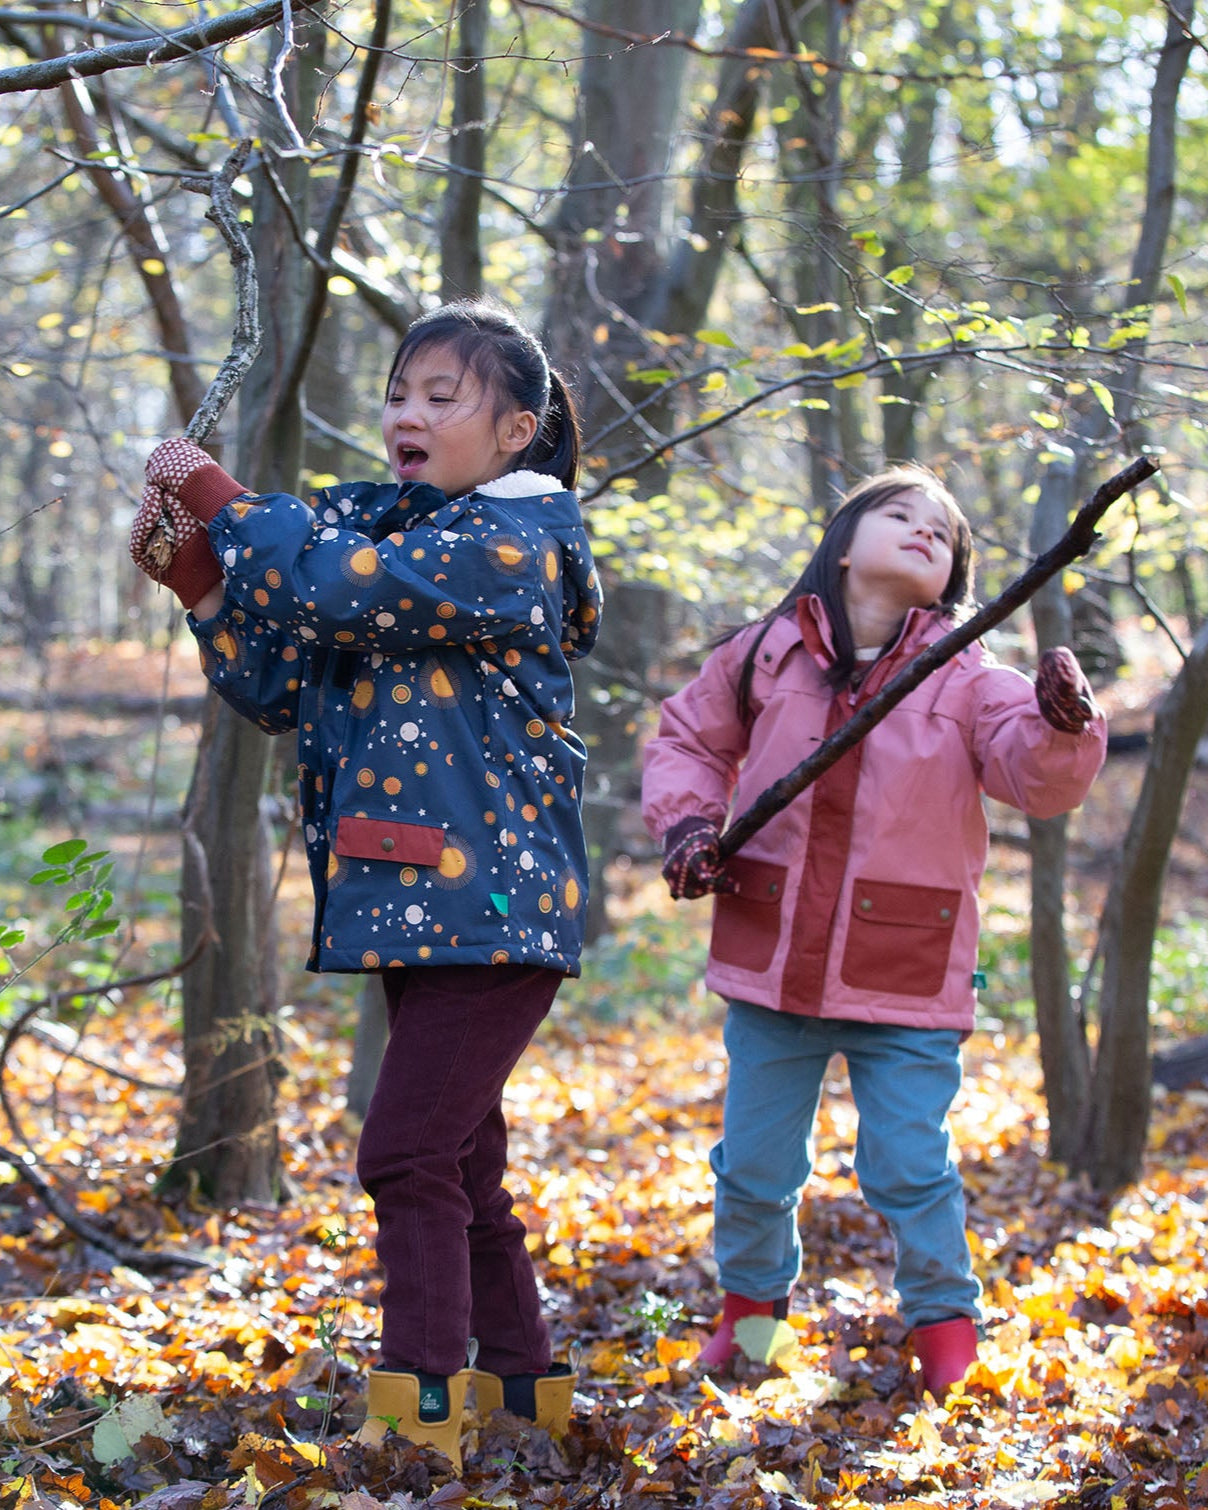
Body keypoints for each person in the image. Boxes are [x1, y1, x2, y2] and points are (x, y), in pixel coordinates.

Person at [130, 299, 603, 1469]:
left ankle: (419, 1411)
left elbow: (339, 587)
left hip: (495, 912)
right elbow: (285, 678)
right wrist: (202, 587)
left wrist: (223, 505)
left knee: (399, 1153)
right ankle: (522, 1394)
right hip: (412, 908)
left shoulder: (512, 541)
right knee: (460, 1165)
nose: (408, 412)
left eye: (443, 396)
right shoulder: (397, 546)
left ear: (515, 431)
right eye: (399, 392)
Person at [640, 465, 1106, 1396]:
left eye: (945, 530)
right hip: (771, 965)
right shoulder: (764, 654)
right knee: (756, 1166)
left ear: (955, 576)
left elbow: (1034, 777)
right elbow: (687, 741)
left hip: (907, 971)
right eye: (900, 514)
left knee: (907, 1164)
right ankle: (754, 1323)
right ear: (843, 542)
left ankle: (945, 1330)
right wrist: (690, 826)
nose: (925, 530)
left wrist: (1063, 730)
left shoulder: (973, 674)